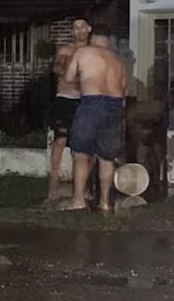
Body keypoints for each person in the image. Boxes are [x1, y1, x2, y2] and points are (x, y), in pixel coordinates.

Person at [63, 26, 126, 212]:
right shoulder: (118, 61)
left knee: (81, 153)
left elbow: (67, 77)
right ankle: (105, 203)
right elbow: (124, 90)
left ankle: (79, 200)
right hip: (114, 106)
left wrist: (83, 81)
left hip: (92, 103)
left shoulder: (83, 52)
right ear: (108, 42)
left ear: (92, 38)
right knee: (107, 157)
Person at [46, 18, 92, 201]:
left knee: (83, 146)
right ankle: (53, 189)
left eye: (82, 26)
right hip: (65, 99)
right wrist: (70, 70)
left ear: (89, 29)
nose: (79, 30)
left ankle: (81, 188)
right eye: (75, 27)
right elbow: (57, 67)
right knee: (60, 142)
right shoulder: (66, 50)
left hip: (84, 100)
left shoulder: (93, 52)